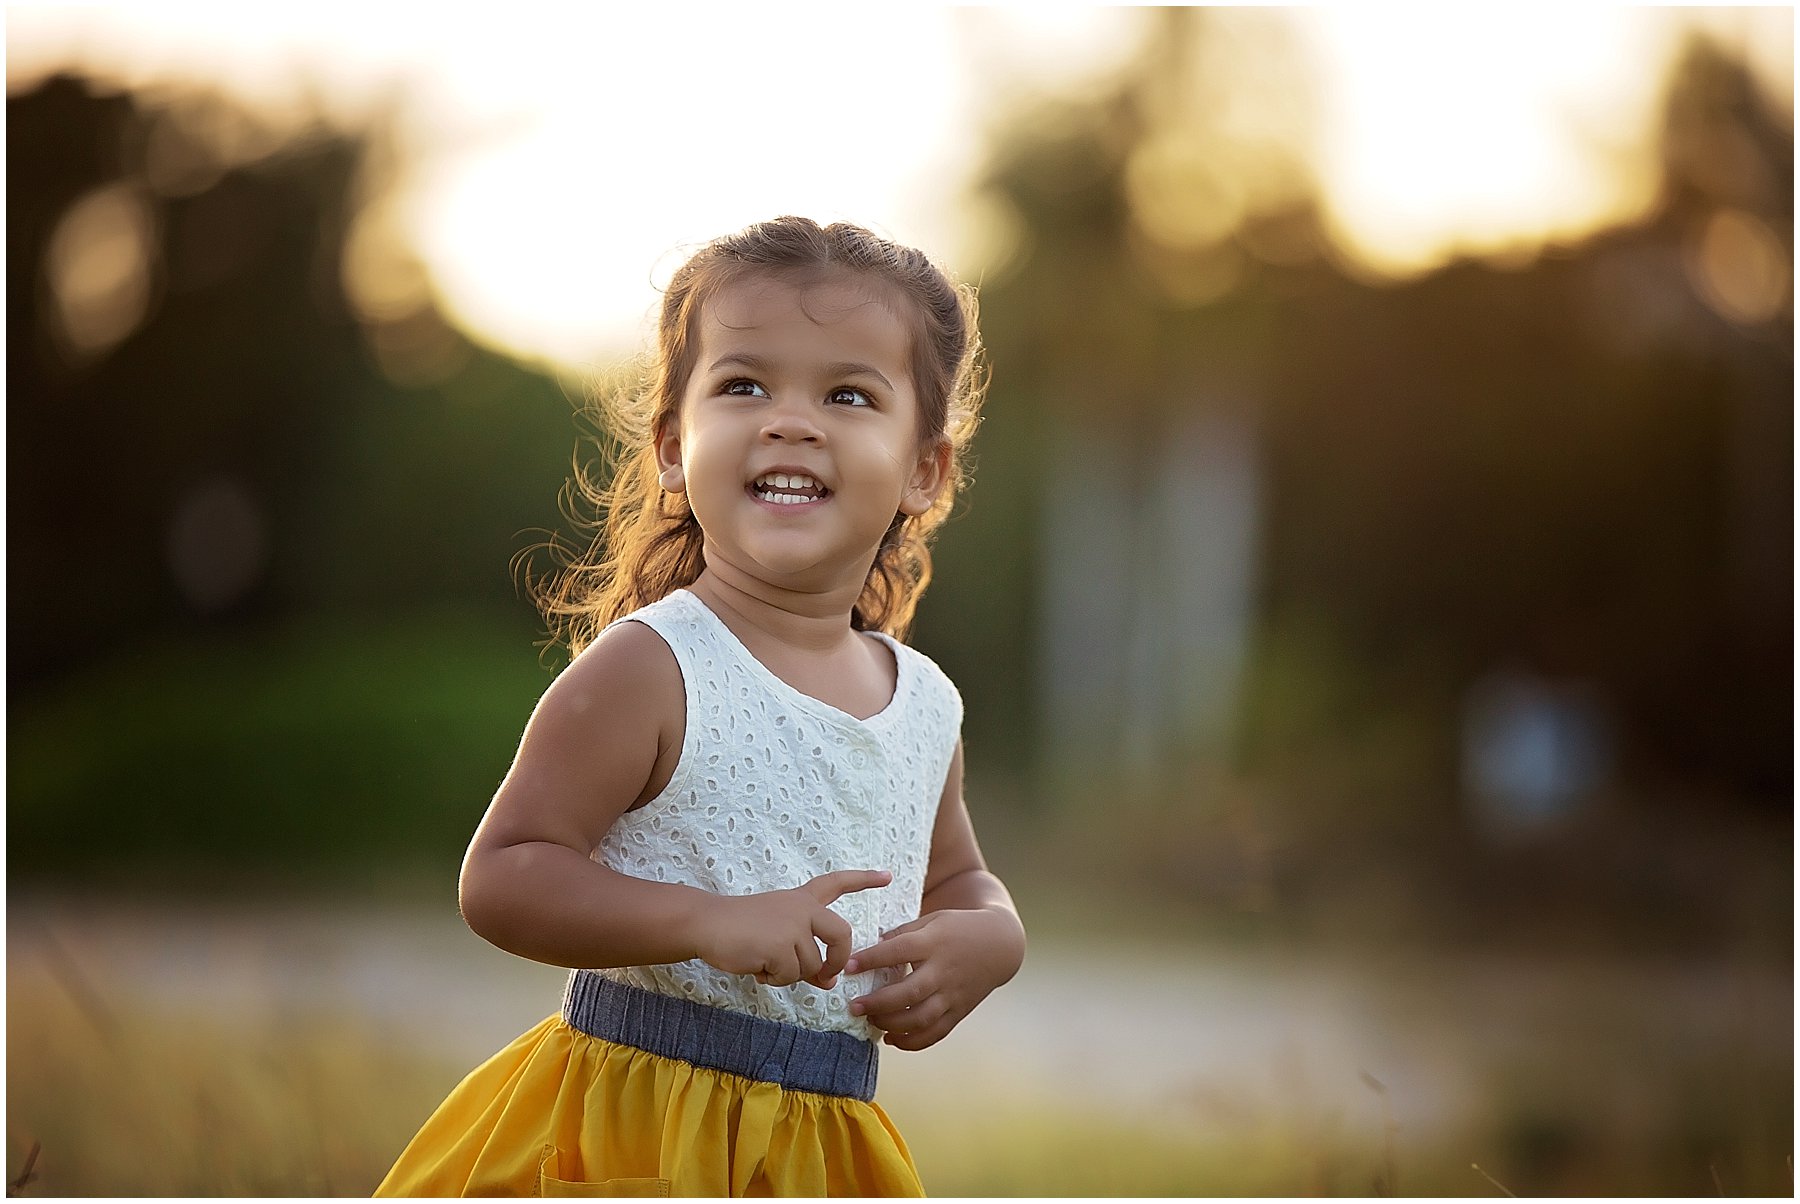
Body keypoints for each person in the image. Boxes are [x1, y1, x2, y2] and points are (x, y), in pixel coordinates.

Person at [375, 216, 1026, 1197]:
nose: (790, 419)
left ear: (924, 470)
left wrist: (995, 936)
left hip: (820, 1155)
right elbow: (504, 874)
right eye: (744, 385)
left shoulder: (923, 705)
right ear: (676, 447)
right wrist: (703, 920)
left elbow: (961, 877)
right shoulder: (655, 668)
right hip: (628, 1137)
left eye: (848, 393)